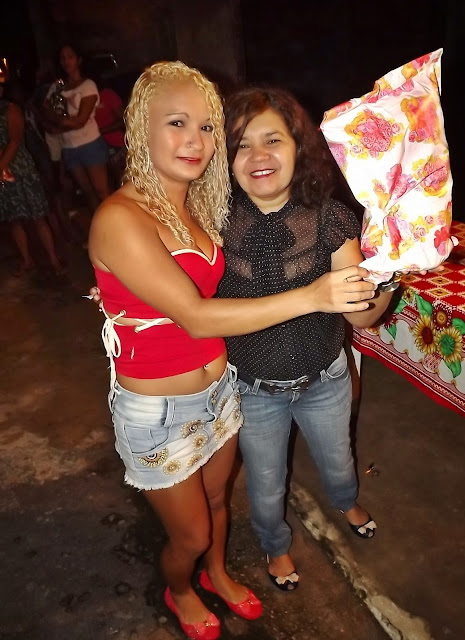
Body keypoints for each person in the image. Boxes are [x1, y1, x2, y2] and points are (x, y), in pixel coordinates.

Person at [88, 61, 375, 640]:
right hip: (160, 409)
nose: (195, 140)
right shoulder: (123, 217)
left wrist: (380, 272)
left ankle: (217, 574)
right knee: (191, 533)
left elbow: (359, 306)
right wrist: (313, 295)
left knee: (220, 501)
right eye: (177, 123)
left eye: (205, 126)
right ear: (141, 126)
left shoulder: (199, 205)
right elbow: (195, 315)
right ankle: (181, 589)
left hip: (221, 391)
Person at [218, 87, 397, 590]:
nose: (258, 155)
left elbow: (362, 318)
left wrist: (391, 272)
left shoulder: (330, 217)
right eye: (242, 144)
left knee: (338, 459)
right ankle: (274, 544)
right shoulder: (212, 224)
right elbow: (199, 309)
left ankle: (345, 501)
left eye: (272, 139)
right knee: (265, 483)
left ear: (298, 146)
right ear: (225, 159)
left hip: (325, 380)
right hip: (252, 390)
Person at [43, 44, 110, 235]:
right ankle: (102, 230)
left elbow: (80, 121)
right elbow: (45, 110)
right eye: (63, 58)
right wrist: (63, 121)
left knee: (102, 191)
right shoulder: (57, 87)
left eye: (70, 57)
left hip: (89, 143)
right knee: (87, 191)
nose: (66, 61)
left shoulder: (88, 85)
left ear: (79, 60)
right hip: (69, 146)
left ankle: (120, 228)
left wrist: (57, 122)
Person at [0, 85, 65, 276]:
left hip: (21, 169)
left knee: (38, 216)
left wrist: (1, 166)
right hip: (5, 173)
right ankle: (27, 260)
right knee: (14, 219)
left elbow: (15, 140)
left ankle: (53, 259)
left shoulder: (10, 109)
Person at [94, 81, 126, 189]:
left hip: (114, 143)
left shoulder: (107, 94)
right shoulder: (79, 97)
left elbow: (123, 120)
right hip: (95, 145)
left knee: (122, 178)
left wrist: (99, 131)